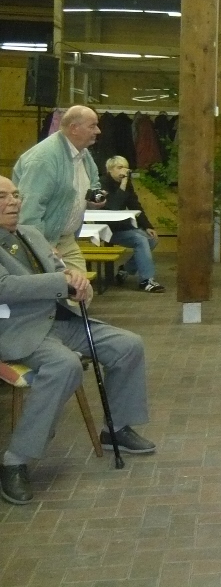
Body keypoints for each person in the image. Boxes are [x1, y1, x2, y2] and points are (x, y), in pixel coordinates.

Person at [0, 175, 154, 506]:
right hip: (20, 329)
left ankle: (116, 429)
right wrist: (62, 281)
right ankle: (15, 460)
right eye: (2, 196)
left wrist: (77, 279)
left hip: (63, 318)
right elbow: (5, 287)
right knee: (65, 365)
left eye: (15, 195)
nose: (13, 202)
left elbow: (62, 269)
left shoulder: (31, 233)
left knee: (128, 345)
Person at [12, 105, 105, 273]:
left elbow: (93, 184)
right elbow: (29, 209)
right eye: (92, 126)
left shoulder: (83, 154)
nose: (98, 131)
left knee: (81, 286)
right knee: (55, 288)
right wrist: (42, 247)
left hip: (66, 239)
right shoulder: (44, 159)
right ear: (74, 128)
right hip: (41, 241)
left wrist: (94, 199)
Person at [100, 156, 164, 293]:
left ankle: (125, 270)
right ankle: (146, 280)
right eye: (119, 167)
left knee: (151, 239)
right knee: (140, 240)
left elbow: (135, 205)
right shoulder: (102, 183)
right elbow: (114, 206)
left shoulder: (127, 184)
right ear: (110, 170)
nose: (124, 171)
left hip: (123, 226)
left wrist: (147, 226)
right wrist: (123, 184)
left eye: (125, 167)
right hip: (107, 228)